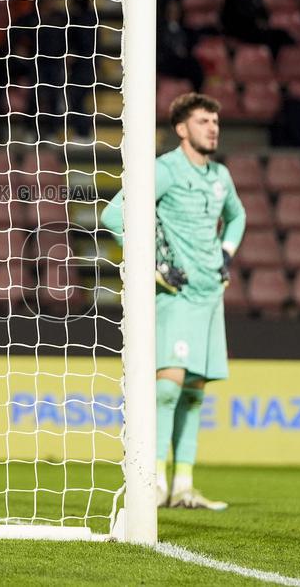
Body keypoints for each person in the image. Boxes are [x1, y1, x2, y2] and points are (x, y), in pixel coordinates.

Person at [101, 93, 246, 510]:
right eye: (204, 121)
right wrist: (150, 265)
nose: (213, 128)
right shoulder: (162, 170)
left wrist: (226, 253)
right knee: (167, 389)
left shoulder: (220, 175)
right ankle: (155, 482)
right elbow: (114, 215)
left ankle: (184, 485)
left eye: (215, 121)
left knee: (195, 393)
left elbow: (238, 216)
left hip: (209, 297)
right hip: (175, 295)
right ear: (182, 128)